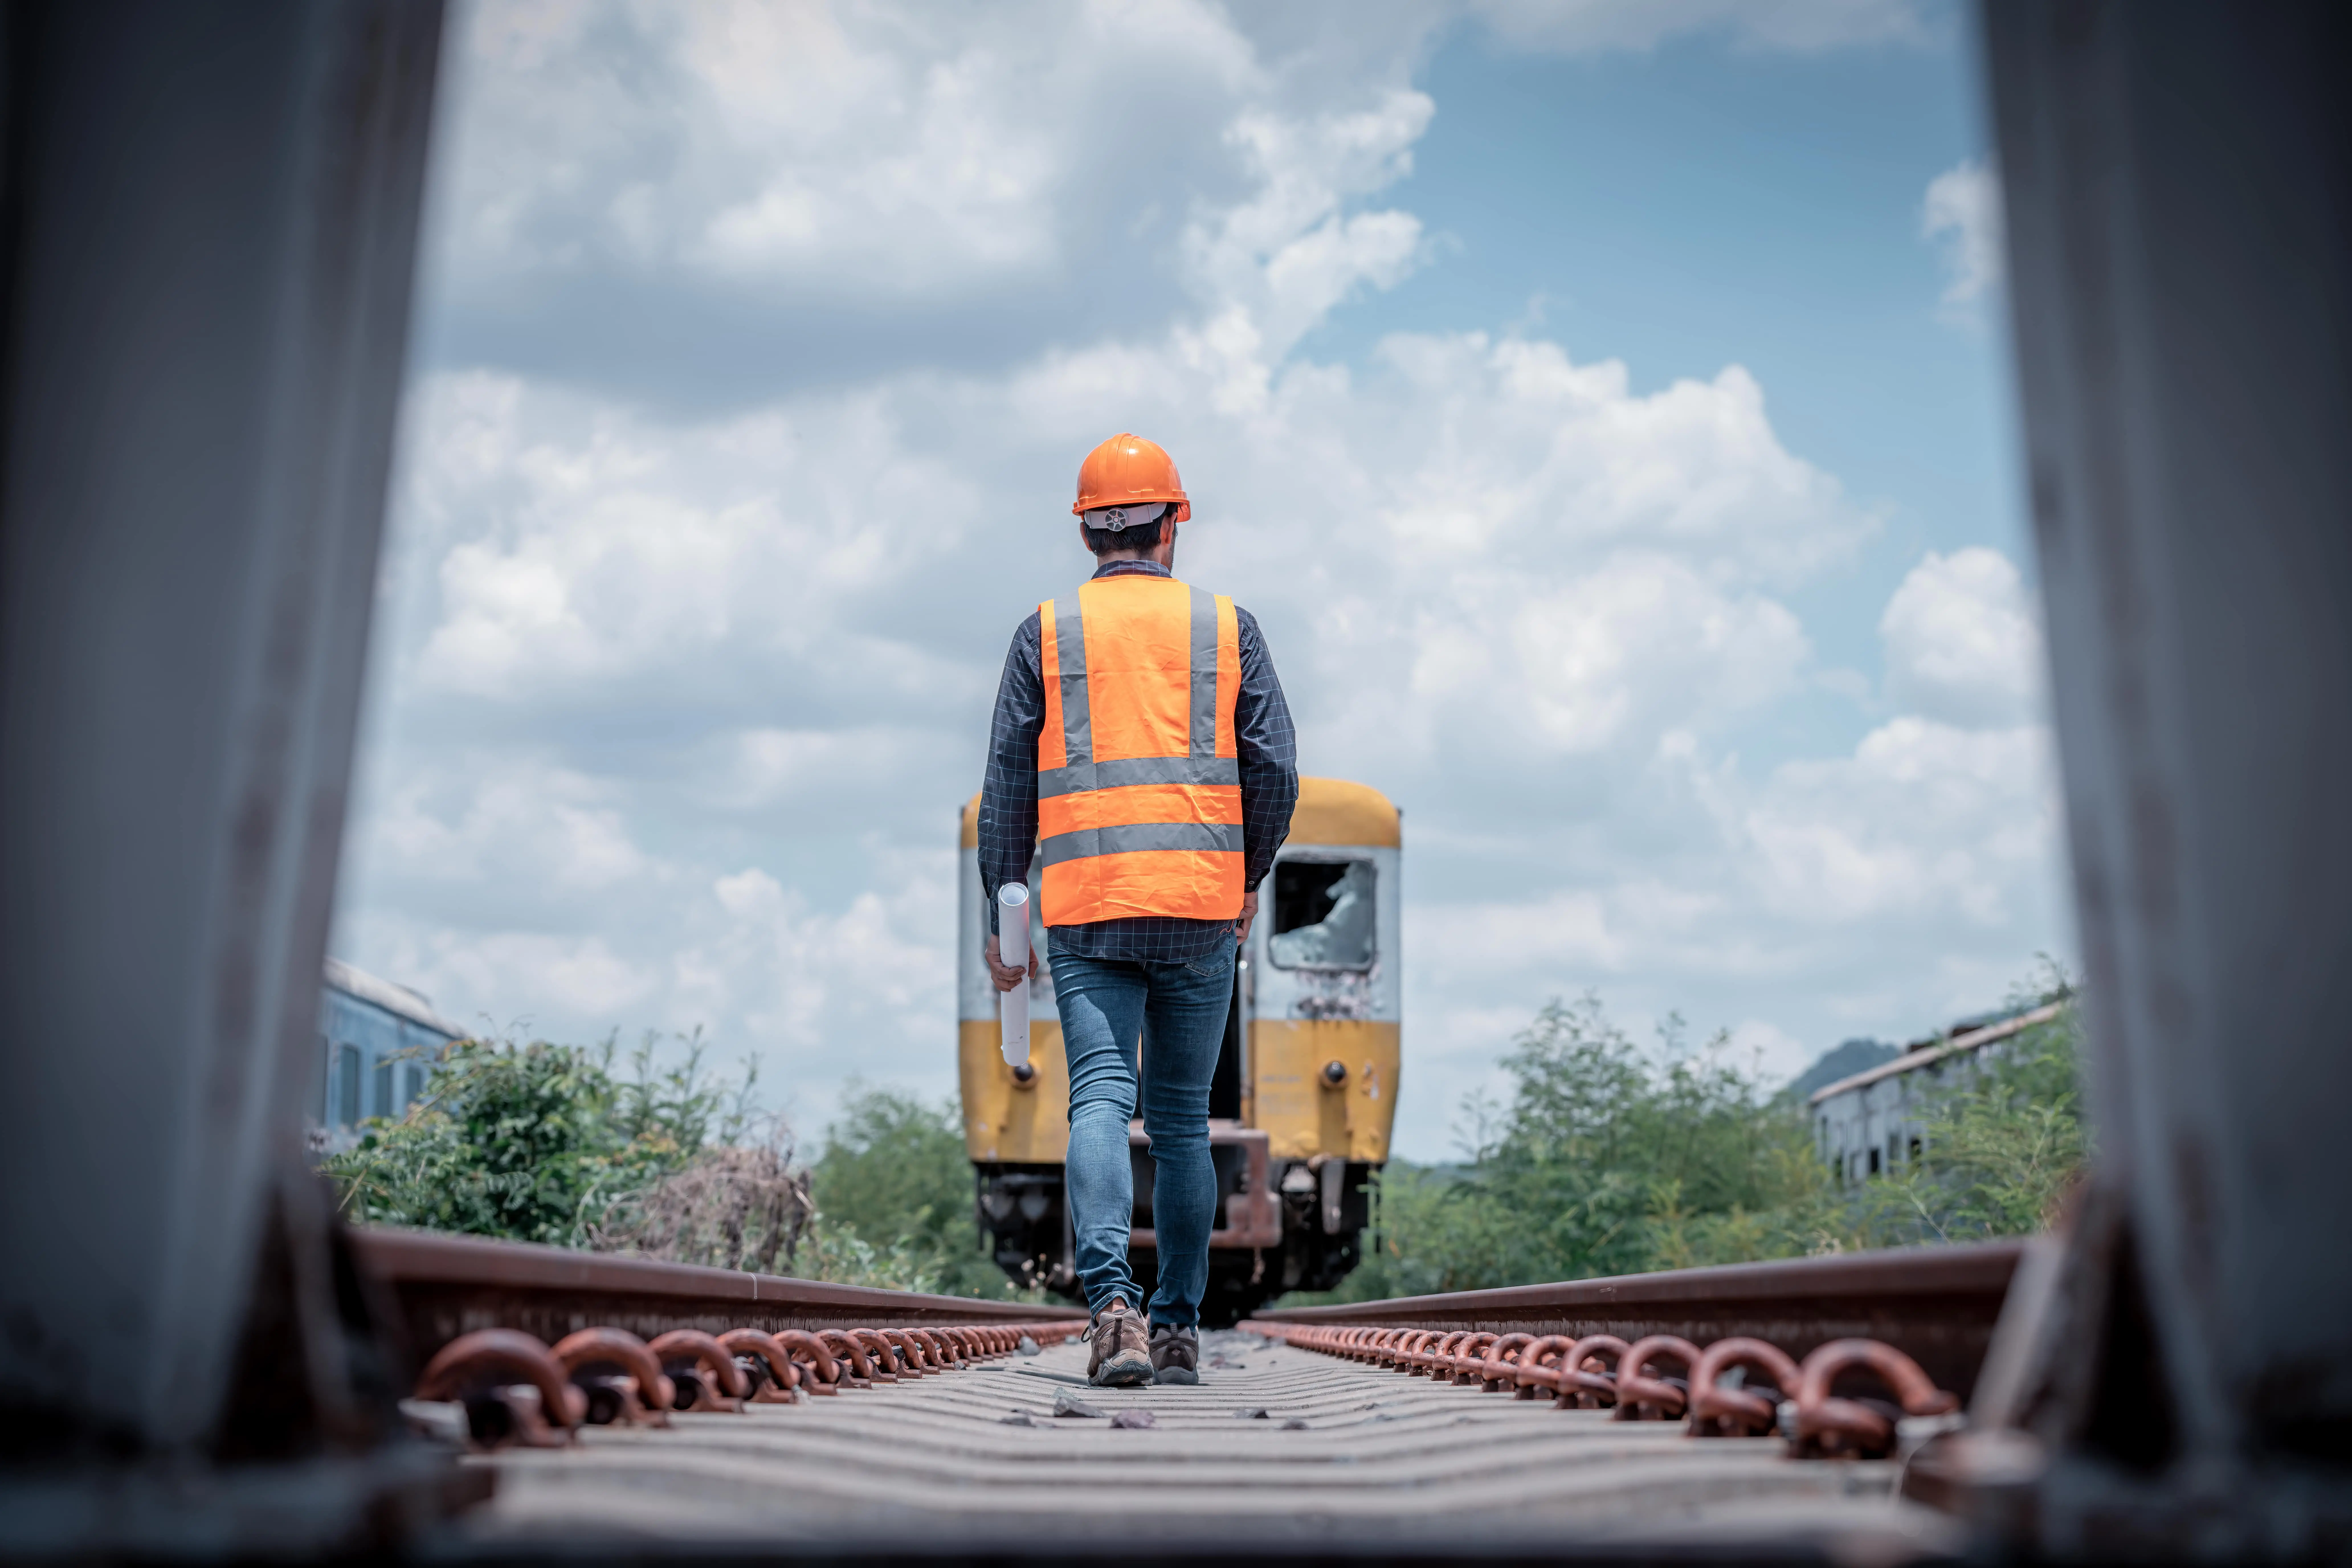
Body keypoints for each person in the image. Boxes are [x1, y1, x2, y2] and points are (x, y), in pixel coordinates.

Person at [977, 433, 1298, 1387]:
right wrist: (1249, 876)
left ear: (1087, 534)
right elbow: (1275, 767)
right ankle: (1178, 1329)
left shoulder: (1046, 631)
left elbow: (1006, 785)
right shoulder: (1227, 627)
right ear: (1173, 527)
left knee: (1101, 1105)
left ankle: (1111, 1310)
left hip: (1090, 908)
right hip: (1201, 907)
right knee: (1183, 1124)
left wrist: (1004, 927)